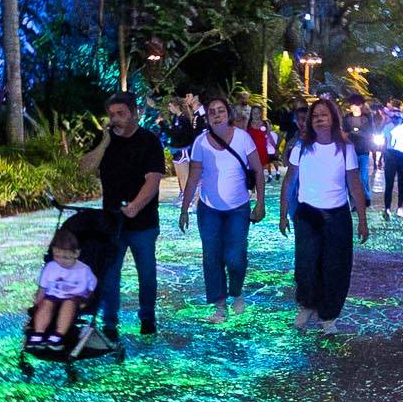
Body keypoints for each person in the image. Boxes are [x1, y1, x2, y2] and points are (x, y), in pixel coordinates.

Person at [280, 95, 370, 329]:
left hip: (337, 215)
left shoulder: (346, 149)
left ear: (333, 119)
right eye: (316, 116)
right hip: (308, 214)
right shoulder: (301, 148)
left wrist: (362, 219)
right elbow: (289, 181)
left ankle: (329, 315)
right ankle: (307, 305)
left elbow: (354, 183)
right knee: (306, 265)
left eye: (324, 115)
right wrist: (283, 214)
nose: (320, 120)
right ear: (310, 121)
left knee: (336, 267)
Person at [179, 94, 264, 320]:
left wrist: (260, 203)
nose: (217, 115)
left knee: (235, 257)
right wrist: (184, 208)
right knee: (212, 256)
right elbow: (194, 177)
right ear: (207, 118)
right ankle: (219, 304)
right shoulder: (200, 143)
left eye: (221, 111)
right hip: (209, 209)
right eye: (212, 112)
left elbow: (257, 170)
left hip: (238, 208)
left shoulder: (243, 138)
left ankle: (236, 293)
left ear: (228, 114)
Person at [93, 93, 166, 336]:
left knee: (146, 273)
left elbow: (153, 180)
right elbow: (83, 169)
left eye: (121, 113)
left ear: (134, 113)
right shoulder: (105, 140)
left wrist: (135, 206)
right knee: (110, 275)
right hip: (112, 222)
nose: (115, 119)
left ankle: (147, 318)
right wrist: (103, 143)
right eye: (112, 114)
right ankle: (110, 323)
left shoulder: (150, 141)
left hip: (143, 223)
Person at [25, 216, 99, 350]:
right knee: (46, 304)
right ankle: (38, 333)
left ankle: (58, 335)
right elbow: (42, 288)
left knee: (69, 304)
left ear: (76, 253)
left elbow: (91, 288)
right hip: (53, 296)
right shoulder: (51, 267)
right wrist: (37, 302)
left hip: (75, 298)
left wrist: (85, 301)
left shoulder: (84, 270)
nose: (61, 261)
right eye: (57, 256)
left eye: (65, 257)